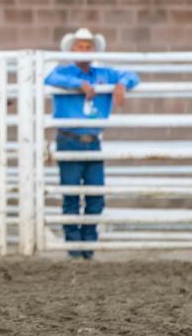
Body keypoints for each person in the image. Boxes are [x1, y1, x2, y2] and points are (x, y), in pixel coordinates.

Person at [45, 27, 139, 260]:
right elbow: (51, 78)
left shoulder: (104, 74)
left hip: (92, 140)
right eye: (79, 46)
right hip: (70, 138)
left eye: (88, 47)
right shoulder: (63, 72)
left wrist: (122, 84)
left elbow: (132, 75)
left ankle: (87, 244)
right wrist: (78, 83)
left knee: (95, 196)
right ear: (72, 50)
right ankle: (75, 248)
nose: (84, 50)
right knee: (72, 194)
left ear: (93, 50)